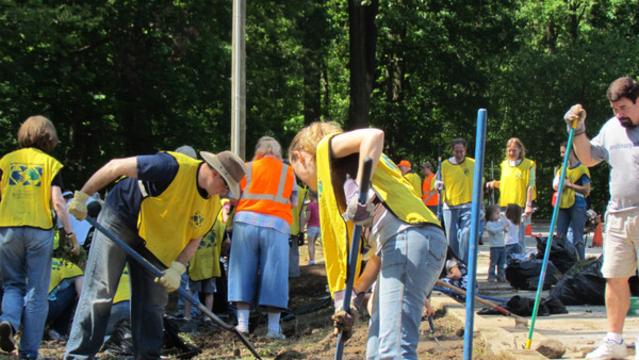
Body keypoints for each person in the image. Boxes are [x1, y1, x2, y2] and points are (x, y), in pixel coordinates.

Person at [63, 147, 245, 359]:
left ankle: (147, 356)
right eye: (226, 186)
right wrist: (82, 196)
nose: (225, 193)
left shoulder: (212, 206)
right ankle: (79, 356)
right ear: (214, 173)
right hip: (121, 218)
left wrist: (177, 268)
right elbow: (115, 166)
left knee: (152, 303)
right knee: (100, 292)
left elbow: (195, 239)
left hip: (155, 241)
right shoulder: (171, 167)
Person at [288, 122, 446, 359]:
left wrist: (360, 197)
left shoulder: (326, 147)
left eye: (300, 176)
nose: (306, 185)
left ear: (300, 157)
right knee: (376, 351)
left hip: (409, 237)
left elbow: (374, 135)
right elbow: (379, 256)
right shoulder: (351, 175)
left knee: (393, 352)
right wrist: (351, 299)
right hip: (411, 242)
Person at [564, 76, 639, 359]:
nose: (619, 114)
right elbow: (588, 158)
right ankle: (615, 341)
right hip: (619, 215)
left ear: (638, 100)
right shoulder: (611, 128)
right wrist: (578, 128)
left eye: (623, 108)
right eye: (614, 109)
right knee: (615, 277)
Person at [0, 116, 79, 359]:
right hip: (39, 230)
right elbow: (58, 202)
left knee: (12, 285)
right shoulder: (50, 164)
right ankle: (29, 352)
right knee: (37, 291)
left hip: (7, 229)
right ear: (49, 137)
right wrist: (70, 234)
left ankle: (8, 323)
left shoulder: (6, 161)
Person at [227, 136, 296, 339]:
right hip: (276, 225)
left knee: (242, 271)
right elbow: (292, 201)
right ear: (277, 151)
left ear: (258, 150)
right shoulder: (288, 171)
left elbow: (233, 197)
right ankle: (273, 329)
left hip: (245, 222)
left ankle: (242, 325)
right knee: (275, 274)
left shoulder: (246, 168)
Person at [486, 137, 536, 254]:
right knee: (504, 238)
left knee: (518, 239)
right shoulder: (504, 164)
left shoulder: (529, 164)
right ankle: (506, 263)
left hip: (518, 206)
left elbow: (530, 185)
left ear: (520, 150)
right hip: (504, 204)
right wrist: (494, 183)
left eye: (514, 150)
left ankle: (519, 262)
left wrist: (528, 204)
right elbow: (505, 183)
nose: (511, 153)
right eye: (509, 150)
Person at [184, 203, 227, 322]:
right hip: (211, 263)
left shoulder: (194, 221)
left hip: (195, 262)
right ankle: (207, 316)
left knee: (190, 290)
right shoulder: (218, 224)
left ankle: (187, 316)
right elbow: (227, 241)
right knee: (209, 292)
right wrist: (222, 252)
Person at [434, 138, 475, 264]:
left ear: (465, 150)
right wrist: (437, 184)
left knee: (466, 235)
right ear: (452, 151)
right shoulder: (445, 165)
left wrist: (480, 206)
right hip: (450, 206)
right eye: (456, 151)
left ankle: (465, 264)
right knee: (452, 240)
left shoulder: (473, 163)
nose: (459, 154)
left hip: (468, 205)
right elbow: (435, 182)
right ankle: (455, 264)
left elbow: (479, 183)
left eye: (461, 151)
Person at [553, 142, 591, 260]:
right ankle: (563, 265)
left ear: (571, 151)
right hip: (563, 205)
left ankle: (580, 265)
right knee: (560, 237)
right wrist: (560, 185)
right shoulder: (562, 169)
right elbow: (557, 185)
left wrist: (570, 185)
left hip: (577, 205)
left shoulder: (582, 169)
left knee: (577, 238)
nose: (561, 155)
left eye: (563, 152)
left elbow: (586, 190)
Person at [46, 258, 84, 340]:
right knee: (74, 289)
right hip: (47, 309)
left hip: (25, 310)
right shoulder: (71, 267)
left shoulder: (33, 261)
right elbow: (82, 297)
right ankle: (58, 330)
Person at [288, 182, 308, 277]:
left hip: (280, 226)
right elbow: (302, 214)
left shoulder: (279, 186)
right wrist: (302, 231)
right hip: (294, 228)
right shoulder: (302, 192)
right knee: (294, 253)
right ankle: (294, 273)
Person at [484, 204, 508, 282]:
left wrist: (503, 217)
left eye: (499, 213)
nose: (498, 215)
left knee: (502, 263)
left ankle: (501, 276)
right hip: (494, 247)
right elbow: (494, 231)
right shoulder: (489, 224)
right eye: (497, 213)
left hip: (502, 246)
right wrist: (502, 227)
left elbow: (505, 227)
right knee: (493, 263)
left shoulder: (499, 222)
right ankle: (491, 276)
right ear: (491, 215)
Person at [305, 194, 320, 265]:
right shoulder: (319, 206)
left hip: (311, 227)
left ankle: (311, 260)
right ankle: (313, 259)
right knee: (313, 244)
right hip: (319, 227)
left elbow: (308, 217)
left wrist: (303, 224)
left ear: (311, 196)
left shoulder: (310, 205)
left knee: (310, 244)